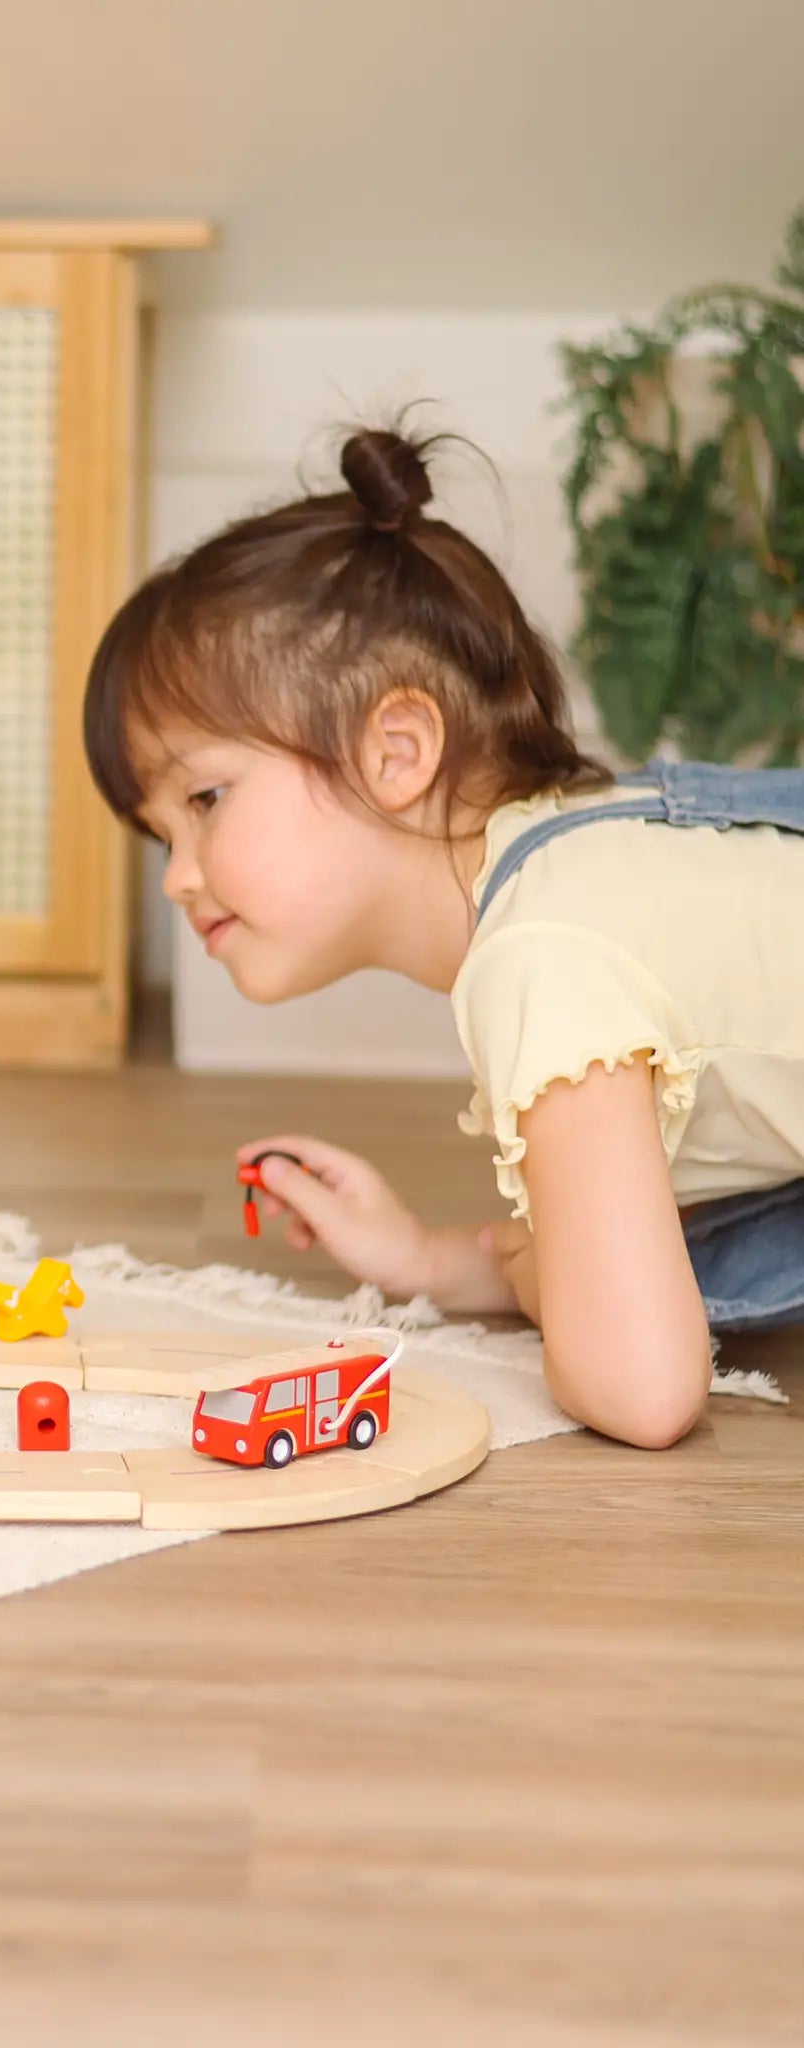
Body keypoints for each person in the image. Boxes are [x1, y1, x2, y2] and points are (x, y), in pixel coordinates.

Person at [83, 422, 804, 1450]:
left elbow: (644, 1387)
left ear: (396, 751)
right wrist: (425, 1257)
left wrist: (533, 1270)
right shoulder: (577, 860)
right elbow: (619, 1249)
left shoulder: (542, 953)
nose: (176, 877)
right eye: (160, 834)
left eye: (204, 799)